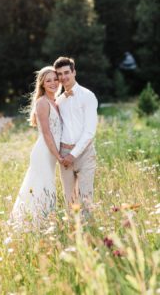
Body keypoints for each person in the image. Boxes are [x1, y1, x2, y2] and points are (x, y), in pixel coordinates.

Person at [11, 66, 62, 227]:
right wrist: (59, 156)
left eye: (55, 79)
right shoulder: (42, 103)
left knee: (47, 186)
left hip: (51, 152)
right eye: (48, 80)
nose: (53, 83)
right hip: (44, 152)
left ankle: (44, 222)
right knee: (41, 186)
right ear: (42, 84)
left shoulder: (56, 101)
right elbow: (47, 134)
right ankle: (35, 223)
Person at [54, 56, 98, 217]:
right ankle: (73, 233)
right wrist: (61, 154)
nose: (63, 77)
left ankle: (88, 235)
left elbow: (90, 131)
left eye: (66, 72)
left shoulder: (88, 96)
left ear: (74, 72)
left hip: (85, 153)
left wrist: (74, 155)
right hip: (64, 155)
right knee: (69, 199)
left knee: (86, 197)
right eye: (59, 74)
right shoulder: (58, 101)